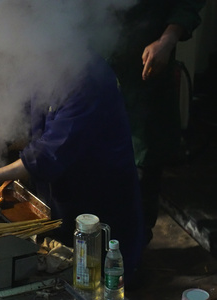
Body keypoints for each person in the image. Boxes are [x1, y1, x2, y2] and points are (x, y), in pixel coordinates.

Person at [0, 52, 146, 286]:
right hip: (61, 199)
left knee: (99, 281)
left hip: (99, 203)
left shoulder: (89, 81)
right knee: (63, 270)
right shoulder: (41, 63)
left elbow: (48, 154)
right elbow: (10, 120)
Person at [108, 0, 205, 244]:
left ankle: (134, 249)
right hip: (101, 61)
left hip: (144, 68)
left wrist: (168, 39)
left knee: (141, 165)